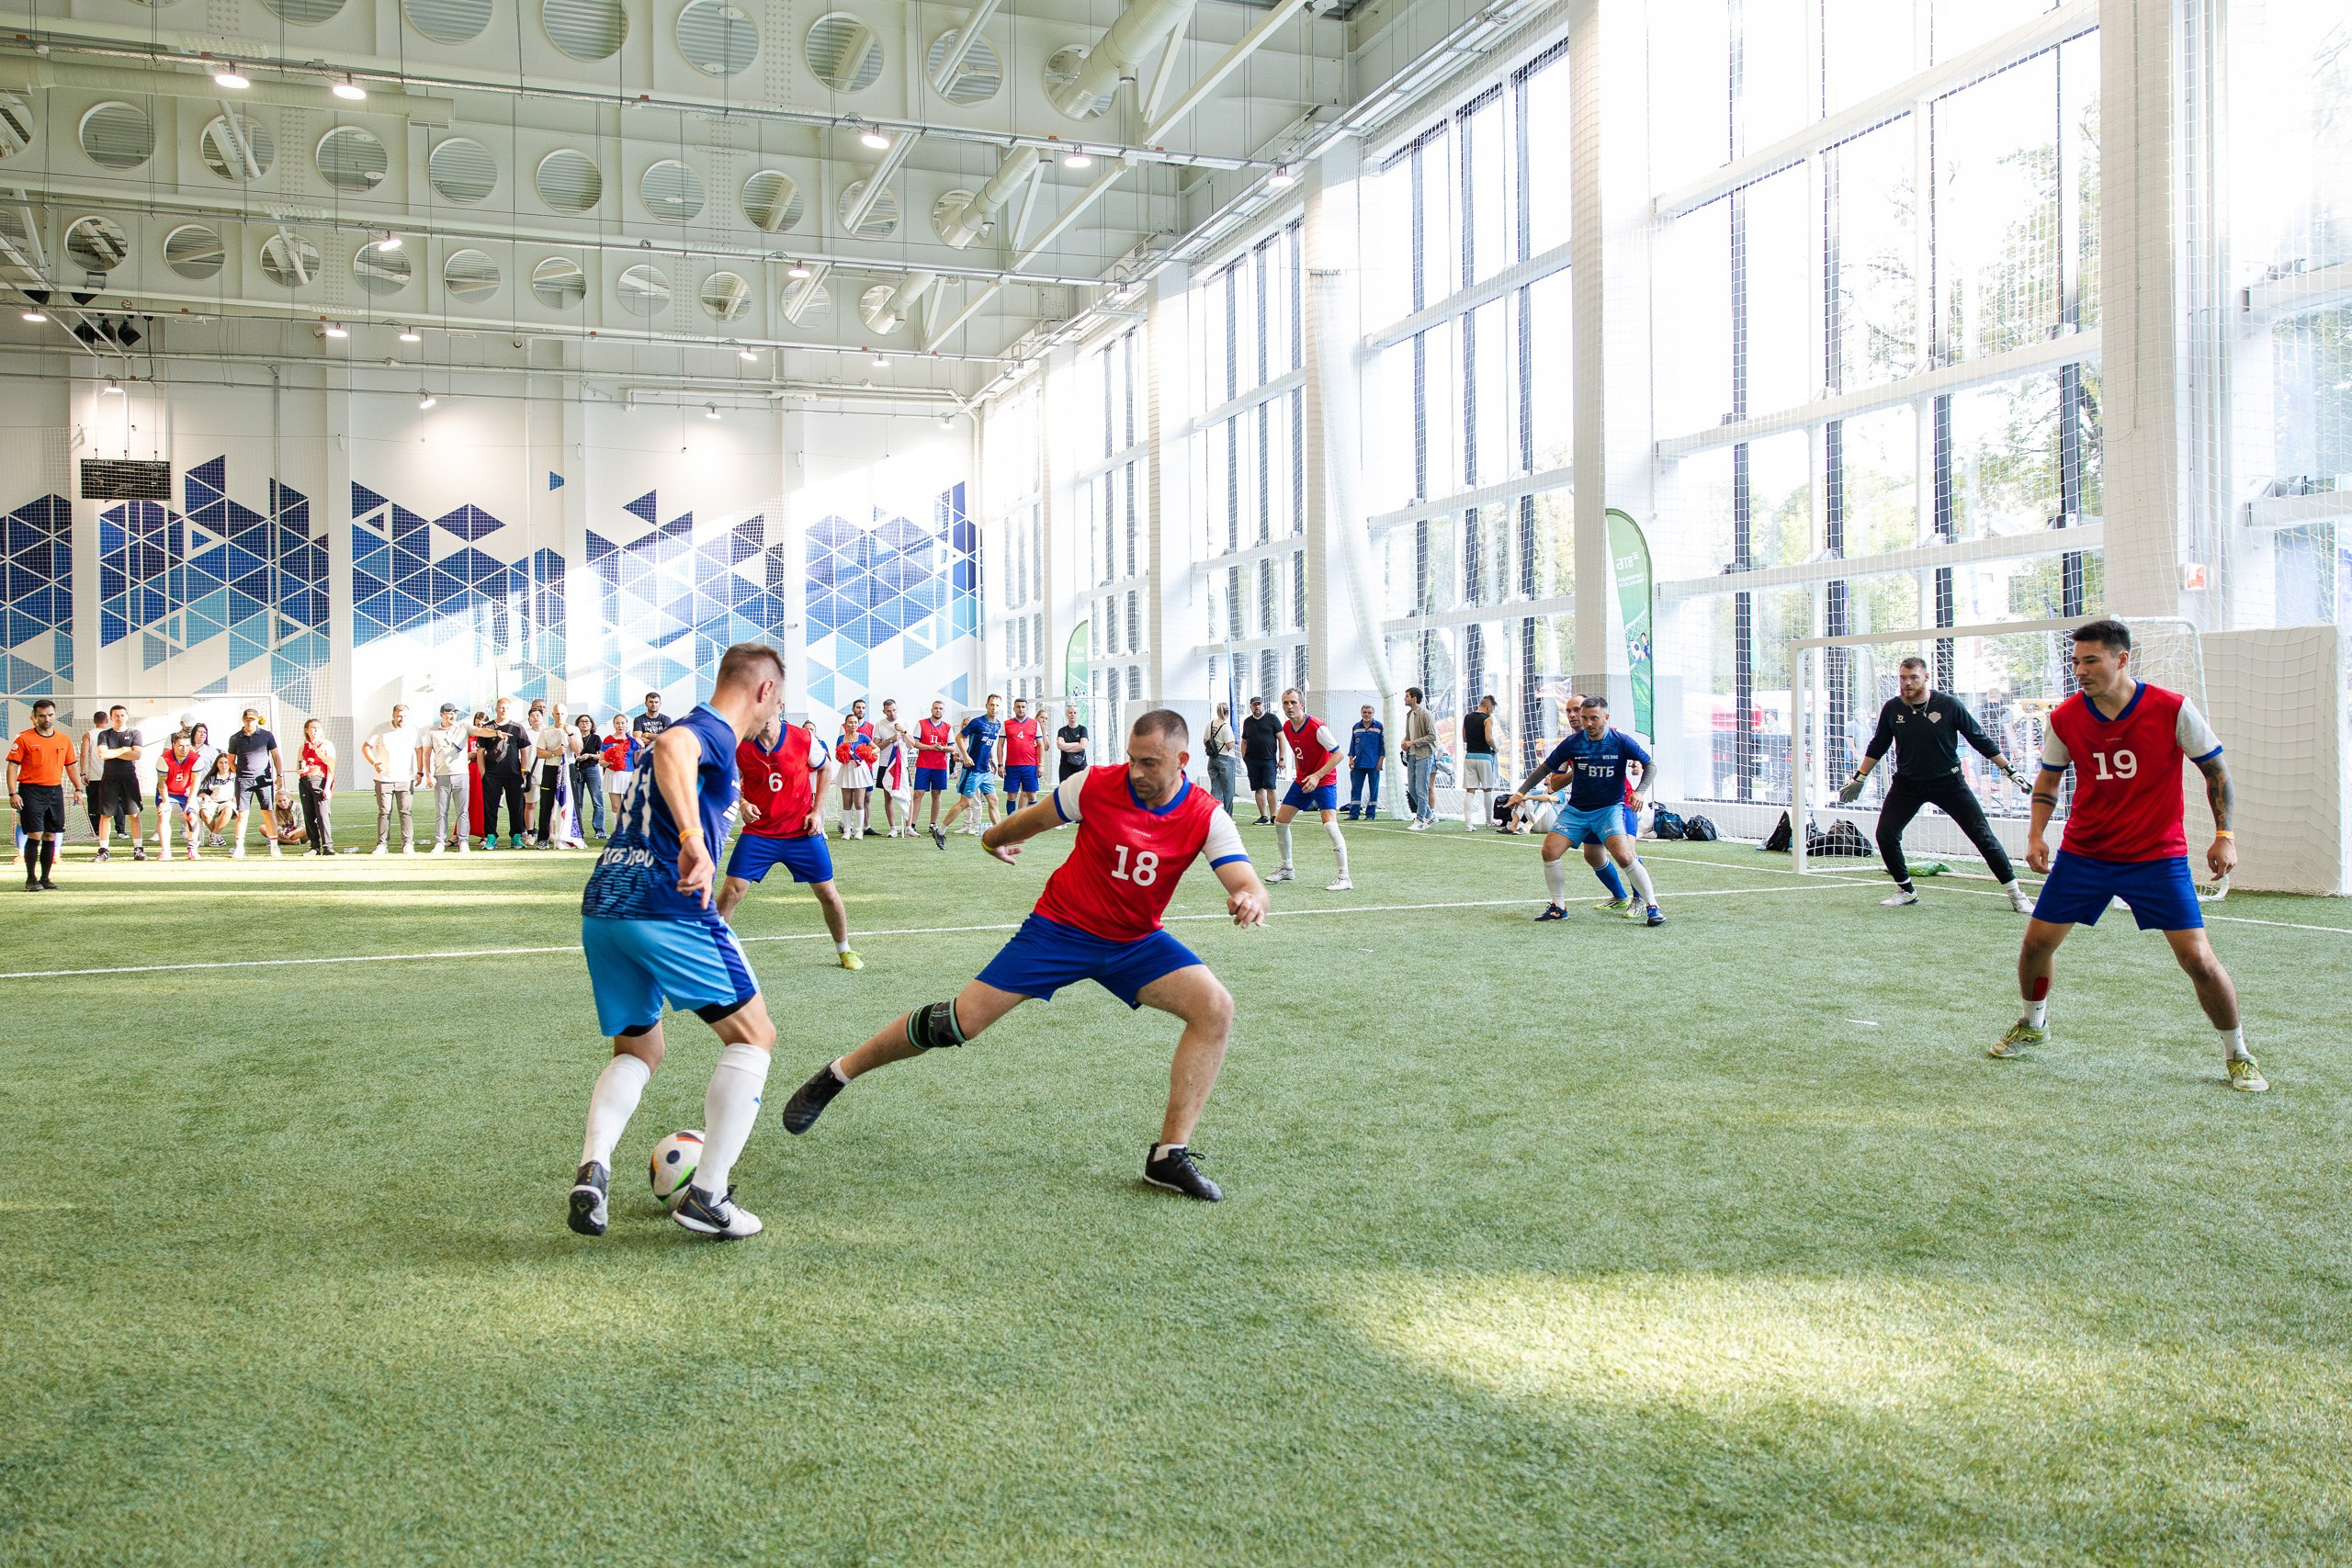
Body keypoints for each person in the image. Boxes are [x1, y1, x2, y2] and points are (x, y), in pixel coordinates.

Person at [775, 708, 1267, 1201]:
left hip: (1135, 942)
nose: (1137, 772)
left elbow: (1246, 879)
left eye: (1151, 763)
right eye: (1133, 760)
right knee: (955, 1023)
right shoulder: (1094, 785)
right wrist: (991, 840)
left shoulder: (1206, 815)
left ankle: (1168, 1157)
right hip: (1059, 930)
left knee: (1215, 1008)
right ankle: (839, 1072)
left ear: (1182, 759)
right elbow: (1030, 821)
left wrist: (1249, 897)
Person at [570, 642, 787, 1242]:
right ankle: (709, 1195)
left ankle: (594, 1169)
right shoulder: (710, 730)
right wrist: (694, 837)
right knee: (755, 1034)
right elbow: (670, 746)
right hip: (663, 902)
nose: (774, 719)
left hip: (605, 901)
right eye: (777, 705)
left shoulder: (710, 739)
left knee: (638, 1052)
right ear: (764, 691)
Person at [1991, 620, 2262, 1089]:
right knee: (2036, 945)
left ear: (2122, 659)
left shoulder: (2172, 708)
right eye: (2075, 662)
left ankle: (2238, 1053)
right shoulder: (2065, 718)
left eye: (2090, 660)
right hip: (2085, 855)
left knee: (2198, 960)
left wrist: (2225, 834)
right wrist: (2036, 835)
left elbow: (2217, 773)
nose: (2080, 670)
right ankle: (2034, 1025)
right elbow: (2049, 781)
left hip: (2156, 857)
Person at [1838, 656, 2036, 913]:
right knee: (1885, 835)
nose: (1907, 683)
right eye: (1903, 678)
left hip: (1949, 783)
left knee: (1982, 836)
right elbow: (1878, 745)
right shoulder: (1892, 708)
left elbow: (1979, 739)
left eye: (1913, 678)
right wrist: (1859, 778)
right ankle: (1906, 890)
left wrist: (2009, 770)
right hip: (1908, 784)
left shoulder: (1949, 705)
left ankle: (2016, 893)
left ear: (1926, 678)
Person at [1505, 696, 1665, 927]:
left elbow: (1650, 764)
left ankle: (1651, 906)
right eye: (1584, 718)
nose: (1588, 723)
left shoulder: (1620, 740)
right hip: (1577, 810)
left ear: (1606, 718)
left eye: (1594, 718)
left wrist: (1640, 790)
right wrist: (1521, 792)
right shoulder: (1572, 743)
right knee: (1550, 851)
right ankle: (1559, 907)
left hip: (1611, 808)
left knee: (1625, 855)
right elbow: (1546, 770)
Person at [718, 714, 860, 969]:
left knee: (827, 893)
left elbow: (826, 767)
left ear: (778, 707)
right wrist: (742, 803)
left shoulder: (803, 738)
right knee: (731, 892)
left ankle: (844, 949)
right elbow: (727, 780)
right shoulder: (741, 743)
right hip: (760, 833)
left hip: (801, 832)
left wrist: (817, 812)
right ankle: (711, 955)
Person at [1267, 689, 1351, 890]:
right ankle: (1287, 869)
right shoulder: (1287, 727)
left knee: (1330, 825)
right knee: (1280, 822)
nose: (1289, 706)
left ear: (1302, 704)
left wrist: (1317, 775)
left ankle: (1344, 877)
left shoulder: (1316, 727)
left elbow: (1338, 754)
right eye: (1285, 702)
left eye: (1293, 702)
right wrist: (1303, 774)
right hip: (1303, 781)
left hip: (1324, 781)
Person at [8, 698, 84, 890]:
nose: (46, 719)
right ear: (34, 717)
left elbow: (71, 766)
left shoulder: (63, 739)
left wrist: (78, 788)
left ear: (54, 715)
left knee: (50, 835)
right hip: (31, 790)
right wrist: (12, 793)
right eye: (42, 716)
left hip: (54, 791)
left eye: (50, 715)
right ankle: (30, 879)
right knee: (35, 835)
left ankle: (45, 878)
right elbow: (12, 767)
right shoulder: (23, 739)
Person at [935, 695, 1005, 845]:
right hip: (972, 770)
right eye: (991, 705)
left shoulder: (997, 725)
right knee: (965, 803)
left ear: (1000, 707)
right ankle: (940, 831)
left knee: (994, 800)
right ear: (986, 705)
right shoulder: (977, 722)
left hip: (985, 770)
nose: (994, 708)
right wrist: (965, 756)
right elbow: (959, 737)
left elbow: (988, 745)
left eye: (997, 705)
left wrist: (992, 760)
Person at [88, 704, 147, 863]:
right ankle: (103, 851)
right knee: (105, 815)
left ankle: (138, 849)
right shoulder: (105, 734)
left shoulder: (134, 733)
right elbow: (103, 754)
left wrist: (115, 753)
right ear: (111, 718)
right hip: (109, 778)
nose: (119, 718)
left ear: (127, 716)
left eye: (122, 715)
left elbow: (136, 754)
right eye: (116, 716)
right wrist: (123, 749)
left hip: (129, 777)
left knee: (134, 814)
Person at [473, 697, 532, 850]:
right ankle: (491, 837)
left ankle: (516, 837)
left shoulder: (518, 728)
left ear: (509, 709)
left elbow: (524, 751)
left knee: (516, 807)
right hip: (492, 775)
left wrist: (524, 771)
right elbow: (480, 752)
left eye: (506, 707)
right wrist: (483, 773)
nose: (503, 710)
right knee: (490, 807)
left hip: (513, 774)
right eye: (501, 707)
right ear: (496, 709)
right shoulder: (488, 728)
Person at [362, 702, 421, 855]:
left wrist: (420, 772)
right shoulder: (380, 728)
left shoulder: (413, 730)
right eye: (399, 715)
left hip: (406, 779)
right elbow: (366, 747)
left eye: (404, 716)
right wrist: (375, 763)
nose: (401, 718)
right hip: (383, 779)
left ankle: (408, 843)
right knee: (384, 812)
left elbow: (419, 751)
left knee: (405, 811)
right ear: (393, 716)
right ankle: (382, 844)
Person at [226, 707, 285, 859]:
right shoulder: (235, 738)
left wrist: (279, 775)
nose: (249, 722)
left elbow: (276, 756)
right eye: (247, 719)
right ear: (243, 720)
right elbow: (231, 760)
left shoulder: (266, 735)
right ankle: (239, 847)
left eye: (252, 719)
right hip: (243, 780)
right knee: (242, 814)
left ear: (258, 720)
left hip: (263, 780)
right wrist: (239, 772)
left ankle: (274, 847)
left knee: (267, 812)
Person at [424, 704, 472, 854]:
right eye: (448, 713)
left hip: (461, 774)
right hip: (441, 775)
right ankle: (440, 842)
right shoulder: (432, 731)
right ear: (442, 715)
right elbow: (426, 754)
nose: (452, 716)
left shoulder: (463, 727)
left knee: (463, 811)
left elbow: (479, 730)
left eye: (454, 713)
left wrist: (495, 733)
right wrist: (428, 774)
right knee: (441, 811)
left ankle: (463, 841)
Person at [1460, 694, 1507, 833]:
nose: (1492, 711)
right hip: (1484, 757)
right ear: (1488, 706)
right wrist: (1496, 747)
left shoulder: (1467, 717)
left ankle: (1468, 824)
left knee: (1470, 790)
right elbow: (1488, 738)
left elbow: (1464, 738)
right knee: (1487, 789)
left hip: (1470, 756)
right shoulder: (1488, 718)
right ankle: (1488, 821)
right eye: (1492, 708)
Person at [155, 729, 205, 860]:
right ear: (174, 746)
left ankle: (192, 849)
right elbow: (161, 782)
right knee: (163, 815)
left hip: (186, 792)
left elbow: (196, 781)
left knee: (192, 816)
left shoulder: (196, 759)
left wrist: (191, 800)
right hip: (168, 791)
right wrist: (165, 801)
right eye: (181, 746)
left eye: (188, 745)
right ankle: (165, 851)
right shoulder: (164, 759)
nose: (185, 749)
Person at [532, 703, 574, 848]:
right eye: (557, 713)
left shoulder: (573, 730)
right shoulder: (546, 731)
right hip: (550, 769)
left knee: (571, 803)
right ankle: (543, 839)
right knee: (546, 804)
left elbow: (578, 750)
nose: (559, 716)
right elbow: (539, 753)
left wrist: (571, 734)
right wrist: (554, 753)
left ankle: (570, 836)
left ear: (567, 715)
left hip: (568, 770)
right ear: (552, 715)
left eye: (562, 713)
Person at [834, 701, 878, 840]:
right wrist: (841, 756)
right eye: (850, 723)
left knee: (859, 801)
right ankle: (847, 830)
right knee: (846, 801)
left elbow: (876, 748)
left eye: (854, 723)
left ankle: (859, 830)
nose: (852, 725)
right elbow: (837, 755)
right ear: (846, 724)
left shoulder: (863, 737)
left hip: (860, 769)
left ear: (857, 724)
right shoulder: (841, 738)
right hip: (847, 769)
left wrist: (868, 754)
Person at [912, 700, 955, 837]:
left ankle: (933, 824)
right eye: (936, 708)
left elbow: (952, 747)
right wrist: (930, 747)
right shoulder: (921, 724)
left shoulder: (948, 727)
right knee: (918, 794)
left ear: (944, 711)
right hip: (923, 765)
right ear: (931, 709)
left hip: (940, 766)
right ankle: (912, 825)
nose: (938, 711)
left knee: (936, 795)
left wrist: (942, 748)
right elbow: (915, 743)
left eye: (941, 709)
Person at [296, 717, 338, 855]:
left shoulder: (326, 745)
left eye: (318, 728)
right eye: (312, 728)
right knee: (308, 815)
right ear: (306, 730)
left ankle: (328, 847)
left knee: (322, 815)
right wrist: (301, 769)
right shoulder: (303, 747)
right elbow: (298, 767)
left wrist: (327, 787)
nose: (315, 730)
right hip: (304, 782)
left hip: (320, 781)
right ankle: (314, 847)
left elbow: (331, 767)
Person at [1240, 696, 1282, 824]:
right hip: (1252, 760)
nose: (1257, 706)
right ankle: (1264, 817)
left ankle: (1274, 816)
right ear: (1251, 707)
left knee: (1271, 786)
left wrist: (1282, 758)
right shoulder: (1247, 721)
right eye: (1254, 705)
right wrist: (1244, 756)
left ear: (1263, 705)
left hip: (1269, 759)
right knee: (1258, 788)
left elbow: (1281, 738)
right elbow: (1244, 740)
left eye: (1259, 704)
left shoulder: (1272, 718)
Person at [1399, 687, 1437, 829]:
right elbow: (1410, 736)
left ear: (1414, 698)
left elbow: (1432, 736)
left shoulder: (1425, 714)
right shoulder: (1409, 715)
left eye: (1407, 696)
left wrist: (1413, 742)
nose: (1405, 698)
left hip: (1424, 755)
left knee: (1421, 789)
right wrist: (1405, 742)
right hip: (1412, 755)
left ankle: (1420, 820)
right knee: (1412, 789)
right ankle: (1430, 816)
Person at [871, 698, 909, 837]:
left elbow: (911, 744)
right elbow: (876, 747)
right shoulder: (880, 725)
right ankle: (892, 827)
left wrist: (903, 731)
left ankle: (909, 827)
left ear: (897, 709)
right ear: (884, 711)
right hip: (885, 764)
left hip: (902, 763)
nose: (892, 713)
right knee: (888, 797)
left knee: (906, 793)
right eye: (889, 711)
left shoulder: (905, 722)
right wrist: (891, 739)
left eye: (894, 710)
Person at [1002, 696, 1044, 811]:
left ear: (1027, 708)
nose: (1021, 709)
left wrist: (1041, 765)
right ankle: (1010, 824)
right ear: (1014, 709)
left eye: (1023, 707)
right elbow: (1000, 745)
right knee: (1011, 795)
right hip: (1011, 766)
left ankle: (1032, 824)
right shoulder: (1006, 724)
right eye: (1018, 707)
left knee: (1032, 795)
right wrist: (1000, 765)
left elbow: (1041, 745)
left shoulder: (1034, 724)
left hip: (1030, 765)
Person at [1345, 704, 1385, 821]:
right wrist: (1351, 758)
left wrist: (1380, 761)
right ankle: (1354, 813)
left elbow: (1383, 746)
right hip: (1359, 763)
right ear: (1361, 713)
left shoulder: (1379, 726)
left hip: (1374, 763)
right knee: (1356, 789)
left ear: (1373, 713)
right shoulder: (1356, 727)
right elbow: (1352, 744)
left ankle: (1370, 814)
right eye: (1364, 712)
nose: (1366, 714)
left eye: (1369, 712)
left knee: (1374, 789)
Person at [571, 713, 607, 840]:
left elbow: (602, 756)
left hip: (592, 769)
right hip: (577, 770)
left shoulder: (596, 738)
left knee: (598, 800)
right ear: (577, 724)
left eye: (587, 721)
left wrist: (590, 756)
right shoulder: (573, 737)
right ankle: (578, 830)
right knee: (577, 801)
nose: (585, 723)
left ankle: (600, 830)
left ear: (591, 724)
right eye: (582, 721)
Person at [193, 752, 239, 852]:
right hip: (213, 802)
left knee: (228, 809)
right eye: (221, 763)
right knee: (204, 811)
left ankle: (214, 835)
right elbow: (201, 791)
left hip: (228, 802)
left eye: (226, 762)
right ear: (217, 764)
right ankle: (217, 836)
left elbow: (243, 790)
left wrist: (236, 796)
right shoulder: (211, 777)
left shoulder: (235, 777)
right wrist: (205, 796)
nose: (224, 765)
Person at [77, 710, 110, 847]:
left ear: (94, 721)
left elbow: (84, 754)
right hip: (110, 774)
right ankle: (121, 830)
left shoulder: (88, 734)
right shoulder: (111, 733)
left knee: (94, 803)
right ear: (107, 720)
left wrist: (83, 773)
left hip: (94, 776)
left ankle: (96, 830)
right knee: (115, 802)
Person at [599, 714, 636, 829]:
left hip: (629, 775)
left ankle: (629, 832)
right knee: (616, 806)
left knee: (629, 805)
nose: (620, 725)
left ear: (626, 724)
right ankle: (617, 833)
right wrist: (611, 761)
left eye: (623, 723)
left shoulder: (632, 741)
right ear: (614, 725)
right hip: (613, 775)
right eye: (618, 723)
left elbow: (637, 759)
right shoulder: (608, 740)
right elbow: (601, 761)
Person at [1203, 702, 1235, 814]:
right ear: (1227, 713)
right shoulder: (1226, 727)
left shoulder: (1210, 724)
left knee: (1215, 789)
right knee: (1228, 790)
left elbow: (1205, 741)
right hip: (1226, 759)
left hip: (1212, 759)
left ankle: (1216, 816)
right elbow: (1229, 745)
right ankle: (1227, 816)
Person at [1056, 704, 1090, 786]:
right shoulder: (1062, 731)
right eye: (1070, 712)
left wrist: (1066, 748)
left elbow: (1083, 746)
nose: (1072, 714)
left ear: (1078, 714)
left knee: (1083, 788)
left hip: (1080, 763)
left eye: (1075, 712)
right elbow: (1060, 745)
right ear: (1067, 715)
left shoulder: (1083, 729)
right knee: (1064, 790)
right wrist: (1076, 744)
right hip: (1065, 765)